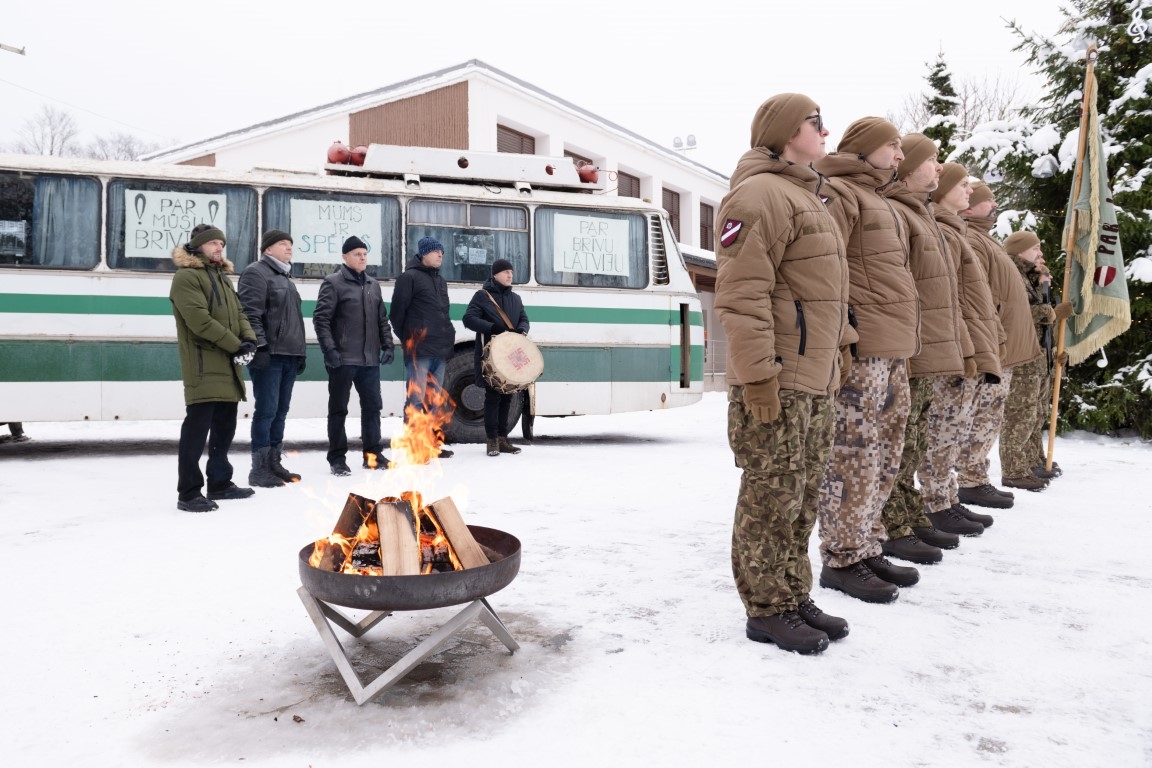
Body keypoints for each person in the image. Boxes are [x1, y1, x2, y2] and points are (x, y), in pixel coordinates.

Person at [715, 93, 856, 654]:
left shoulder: (808, 197)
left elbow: (826, 295)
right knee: (771, 494)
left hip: (813, 378)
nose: (826, 130)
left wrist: (842, 350)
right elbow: (742, 295)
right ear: (782, 132)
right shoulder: (758, 196)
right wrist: (758, 378)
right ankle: (767, 608)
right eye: (815, 122)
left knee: (801, 496)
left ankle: (794, 594)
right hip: (777, 377)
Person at [813, 117, 921, 603]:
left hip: (893, 348)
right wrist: (844, 333)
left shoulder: (882, 200)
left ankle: (866, 540)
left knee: (884, 451)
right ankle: (841, 555)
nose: (900, 156)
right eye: (892, 146)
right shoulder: (839, 193)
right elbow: (823, 266)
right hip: (863, 348)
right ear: (865, 148)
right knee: (851, 454)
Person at [878, 133, 971, 565]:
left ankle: (904, 515)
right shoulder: (900, 212)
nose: (938, 167)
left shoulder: (922, 216)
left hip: (925, 346)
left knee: (911, 440)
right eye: (931, 160)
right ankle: (893, 522)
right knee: (897, 445)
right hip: (908, 349)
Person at [927, 165, 1004, 533]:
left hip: (968, 340)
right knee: (943, 427)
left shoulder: (955, 230)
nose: (969, 191)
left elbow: (976, 298)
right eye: (962, 185)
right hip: (952, 345)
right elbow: (949, 297)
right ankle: (936, 501)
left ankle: (946, 498)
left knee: (954, 426)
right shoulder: (944, 230)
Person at [962, 182, 1048, 495]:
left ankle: (975, 478)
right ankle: (972, 480)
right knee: (986, 416)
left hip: (1011, 347)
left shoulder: (987, 240)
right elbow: (982, 296)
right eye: (989, 200)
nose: (995, 203)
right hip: (995, 346)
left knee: (1000, 416)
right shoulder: (973, 240)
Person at [169, 223, 257, 512]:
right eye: (214, 243)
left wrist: (249, 340)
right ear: (198, 246)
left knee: (224, 430)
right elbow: (199, 321)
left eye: (222, 243)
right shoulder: (186, 277)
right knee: (196, 432)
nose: (220, 247)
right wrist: (236, 345)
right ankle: (189, 492)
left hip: (227, 366)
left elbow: (240, 312)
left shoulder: (221, 277)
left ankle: (219, 483)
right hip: (203, 366)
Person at [313, 236, 396, 476]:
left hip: (369, 360)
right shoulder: (333, 283)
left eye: (364, 254)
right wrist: (330, 349)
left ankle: (372, 454)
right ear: (345, 257)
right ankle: (337, 458)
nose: (362, 258)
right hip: (343, 359)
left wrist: (388, 346)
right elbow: (321, 320)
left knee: (373, 407)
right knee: (338, 409)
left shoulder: (373, 285)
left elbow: (382, 319)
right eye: (357, 254)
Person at [1001, 230, 1073, 485]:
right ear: (1020, 250)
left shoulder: (1030, 276)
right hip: (1022, 357)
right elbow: (1013, 314)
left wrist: (1054, 352)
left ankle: (1032, 460)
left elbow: (1040, 325)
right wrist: (1051, 311)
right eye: (1035, 249)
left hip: (1038, 356)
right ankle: (1014, 470)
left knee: (1035, 412)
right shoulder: (1011, 273)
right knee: (1019, 414)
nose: (1041, 254)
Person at [238, 230, 307, 488]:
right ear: (268, 249)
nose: (289, 247)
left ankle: (274, 462)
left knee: (280, 411)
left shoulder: (286, 277)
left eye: (290, 243)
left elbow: (295, 321)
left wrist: (301, 351)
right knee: (266, 411)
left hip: (289, 355)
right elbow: (249, 314)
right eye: (282, 244)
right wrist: (261, 347)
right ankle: (258, 469)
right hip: (270, 356)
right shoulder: (257, 273)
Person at [389, 236, 457, 459]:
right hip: (420, 351)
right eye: (436, 251)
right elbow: (397, 314)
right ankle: (414, 447)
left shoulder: (441, 280)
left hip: (440, 350)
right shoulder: (408, 278)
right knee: (416, 400)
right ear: (424, 254)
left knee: (433, 401)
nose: (440, 255)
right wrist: (410, 340)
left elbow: (442, 313)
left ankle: (430, 445)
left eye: (442, 252)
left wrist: (449, 336)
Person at [462, 258, 529, 457]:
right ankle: (491, 440)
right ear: (495, 275)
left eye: (511, 272)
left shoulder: (515, 298)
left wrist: (522, 330)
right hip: (491, 355)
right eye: (505, 272)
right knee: (493, 397)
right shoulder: (482, 296)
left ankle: (503, 439)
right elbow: (468, 319)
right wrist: (493, 328)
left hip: (511, 355)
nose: (510, 275)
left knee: (508, 396)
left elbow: (524, 318)